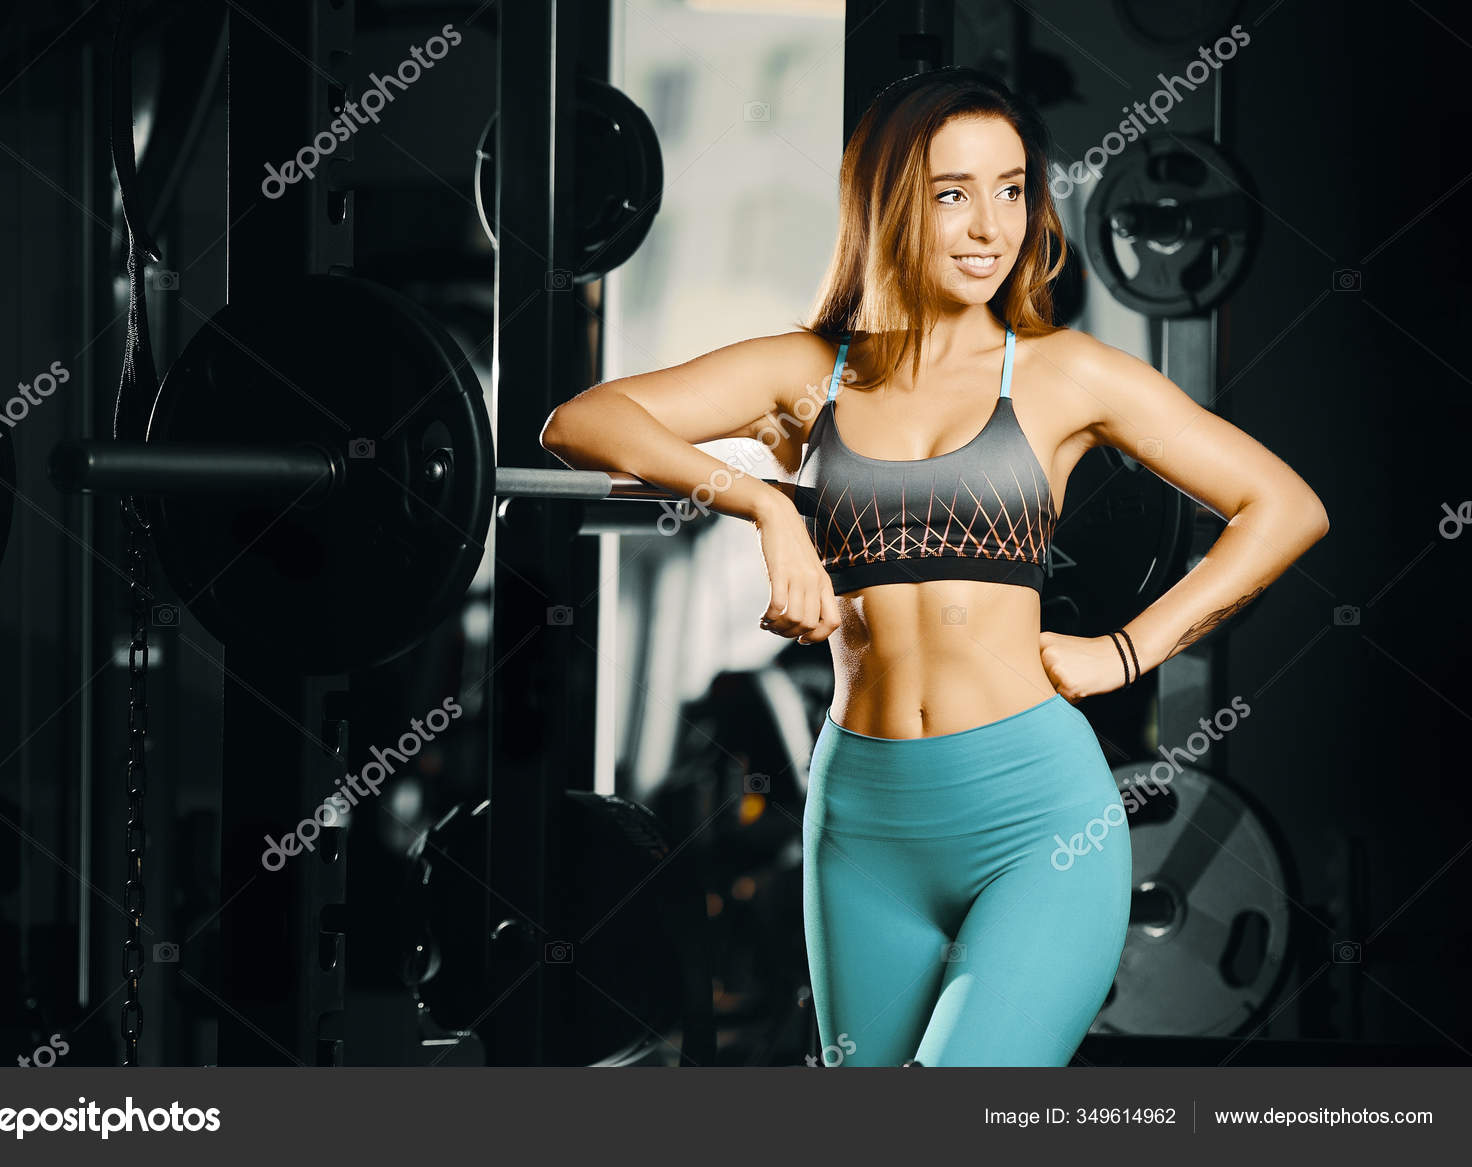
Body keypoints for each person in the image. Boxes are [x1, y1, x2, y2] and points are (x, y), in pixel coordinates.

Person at [539, 67, 1327, 1066]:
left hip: (1038, 821)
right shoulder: (806, 373)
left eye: (1010, 190)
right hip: (862, 823)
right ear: (888, 204)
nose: (987, 226)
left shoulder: (1061, 375)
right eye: (952, 193)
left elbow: (1283, 507)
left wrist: (1128, 650)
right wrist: (761, 504)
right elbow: (581, 422)